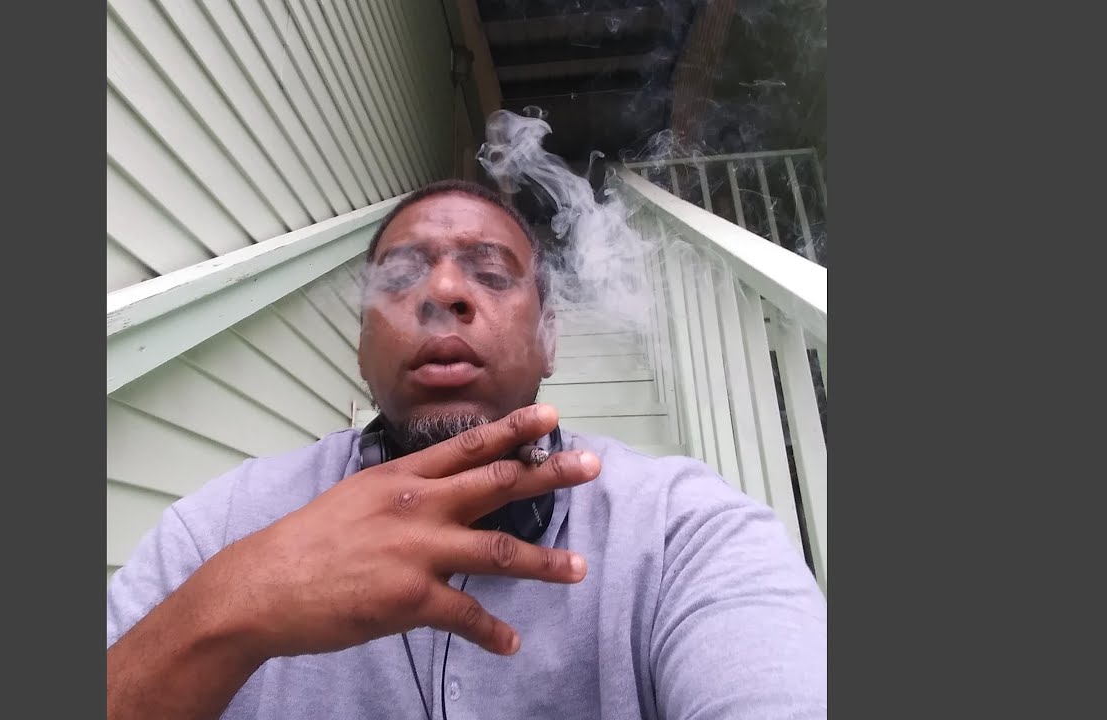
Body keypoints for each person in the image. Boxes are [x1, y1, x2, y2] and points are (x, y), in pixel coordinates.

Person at [106, 180, 826, 719]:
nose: (444, 290)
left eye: (490, 272)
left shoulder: (682, 533)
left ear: (549, 338)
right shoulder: (217, 532)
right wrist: (230, 608)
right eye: (400, 276)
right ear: (361, 347)